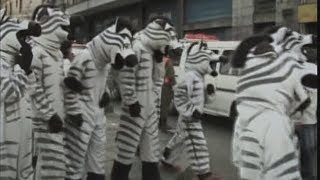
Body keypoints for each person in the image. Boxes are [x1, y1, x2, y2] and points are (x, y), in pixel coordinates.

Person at [231, 27, 315, 180]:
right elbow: (303, 99)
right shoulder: (286, 64)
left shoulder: (250, 66)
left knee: (251, 170)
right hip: (275, 129)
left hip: (249, 130)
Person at [63, 17, 137, 180]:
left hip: (98, 115)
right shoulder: (84, 56)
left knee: (97, 161)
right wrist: (74, 112)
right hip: (81, 116)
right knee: (74, 162)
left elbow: (104, 85)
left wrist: (107, 94)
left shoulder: (104, 63)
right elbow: (69, 85)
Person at [111, 16, 181, 180]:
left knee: (151, 152)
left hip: (150, 107)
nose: (166, 48)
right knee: (126, 152)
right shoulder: (135, 46)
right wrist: (131, 101)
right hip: (134, 108)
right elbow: (125, 77)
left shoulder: (153, 50)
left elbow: (157, 80)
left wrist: (155, 99)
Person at [161, 41, 221, 180]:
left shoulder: (199, 77)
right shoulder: (190, 76)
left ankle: (166, 158)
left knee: (180, 138)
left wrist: (209, 93)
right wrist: (191, 111)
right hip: (190, 118)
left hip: (189, 116)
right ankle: (203, 174)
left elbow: (202, 100)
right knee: (198, 144)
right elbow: (180, 96)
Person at [29, 5, 72, 179]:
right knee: (55, 166)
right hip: (43, 120)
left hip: (57, 116)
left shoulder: (57, 54)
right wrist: (49, 115)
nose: (67, 31)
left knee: (46, 165)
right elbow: (33, 89)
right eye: (63, 27)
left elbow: (58, 84)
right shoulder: (36, 52)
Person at [0, 8, 41, 180]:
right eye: (21, 37)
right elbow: (8, 92)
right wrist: (20, 69)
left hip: (24, 132)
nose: (26, 43)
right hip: (5, 137)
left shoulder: (15, 61)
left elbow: (31, 91)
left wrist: (27, 71)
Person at [159, 55, 177, 132]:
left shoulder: (161, 59)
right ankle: (163, 125)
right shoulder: (168, 61)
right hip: (166, 87)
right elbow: (171, 76)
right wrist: (174, 85)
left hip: (160, 85)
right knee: (165, 106)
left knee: (161, 105)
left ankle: (160, 124)